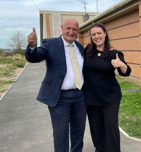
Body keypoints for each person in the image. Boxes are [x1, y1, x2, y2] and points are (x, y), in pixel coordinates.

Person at [25, 18, 86, 152]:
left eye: (74, 29)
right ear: (61, 28)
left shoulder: (80, 47)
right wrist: (32, 46)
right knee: (61, 134)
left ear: (78, 31)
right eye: (68, 28)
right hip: (60, 98)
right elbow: (36, 57)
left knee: (79, 131)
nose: (71, 32)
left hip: (80, 96)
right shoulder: (50, 43)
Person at [84, 23, 131, 152]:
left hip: (110, 98)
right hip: (91, 98)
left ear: (105, 34)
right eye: (93, 34)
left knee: (111, 127)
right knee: (96, 127)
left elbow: (126, 72)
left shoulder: (114, 53)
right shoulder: (88, 50)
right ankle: (99, 149)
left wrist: (121, 64)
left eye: (99, 33)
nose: (96, 36)